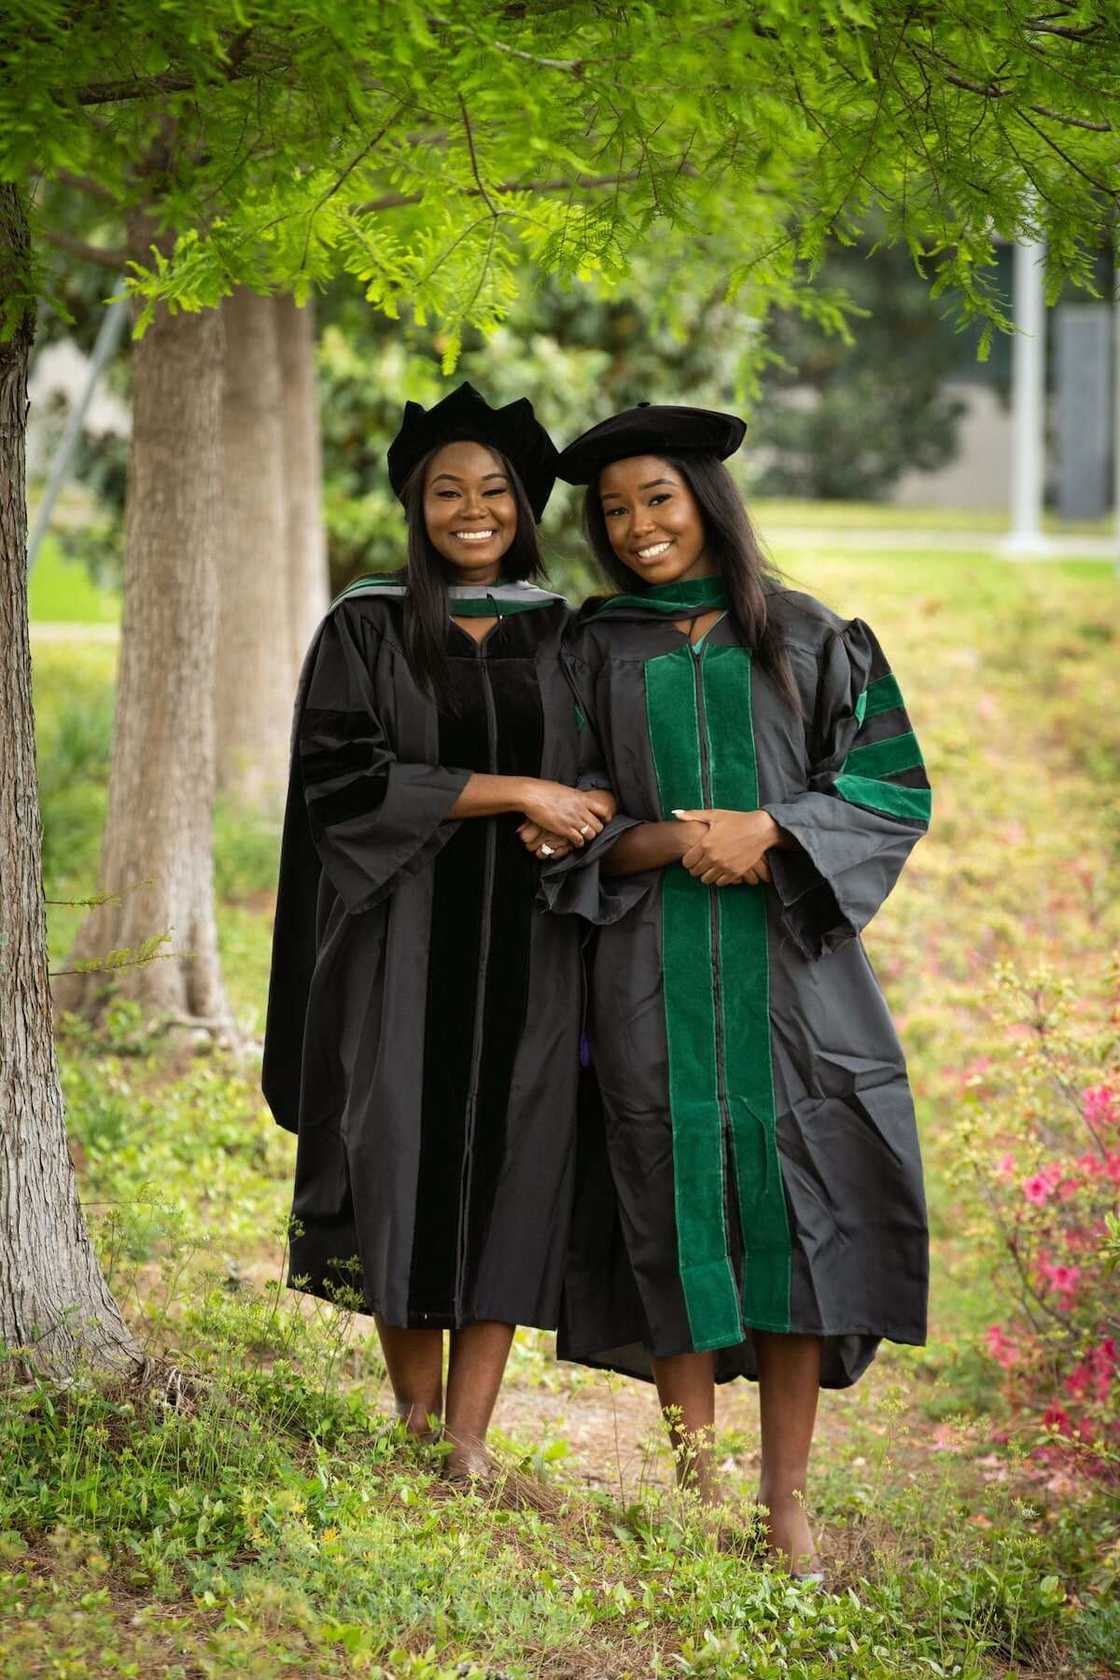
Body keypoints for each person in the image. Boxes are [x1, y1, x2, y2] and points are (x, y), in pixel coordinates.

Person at [531, 403, 930, 1576]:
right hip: (647, 975)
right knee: (667, 1205)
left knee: (797, 1220)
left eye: (656, 497)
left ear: (707, 498)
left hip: (789, 986)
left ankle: (786, 1502)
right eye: (614, 509)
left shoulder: (807, 637)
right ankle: (697, 1495)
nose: (638, 525)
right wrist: (667, 843)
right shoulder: (589, 650)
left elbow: (892, 790)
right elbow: (561, 817)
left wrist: (771, 829)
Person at [263, 382, 614, 1481]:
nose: (473, 509)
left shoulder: (566, 633)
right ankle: (414, 1420)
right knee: (399, 1150)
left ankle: (467, 1443)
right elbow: (343, 777)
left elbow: (610, 766)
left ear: (525, 504)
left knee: (513, 1162)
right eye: (447, 491)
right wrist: (518, 790)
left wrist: (584, 811)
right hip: (395, 936)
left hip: (533, 941)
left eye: (495, 490)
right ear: (414, 505)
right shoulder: (364, 624)